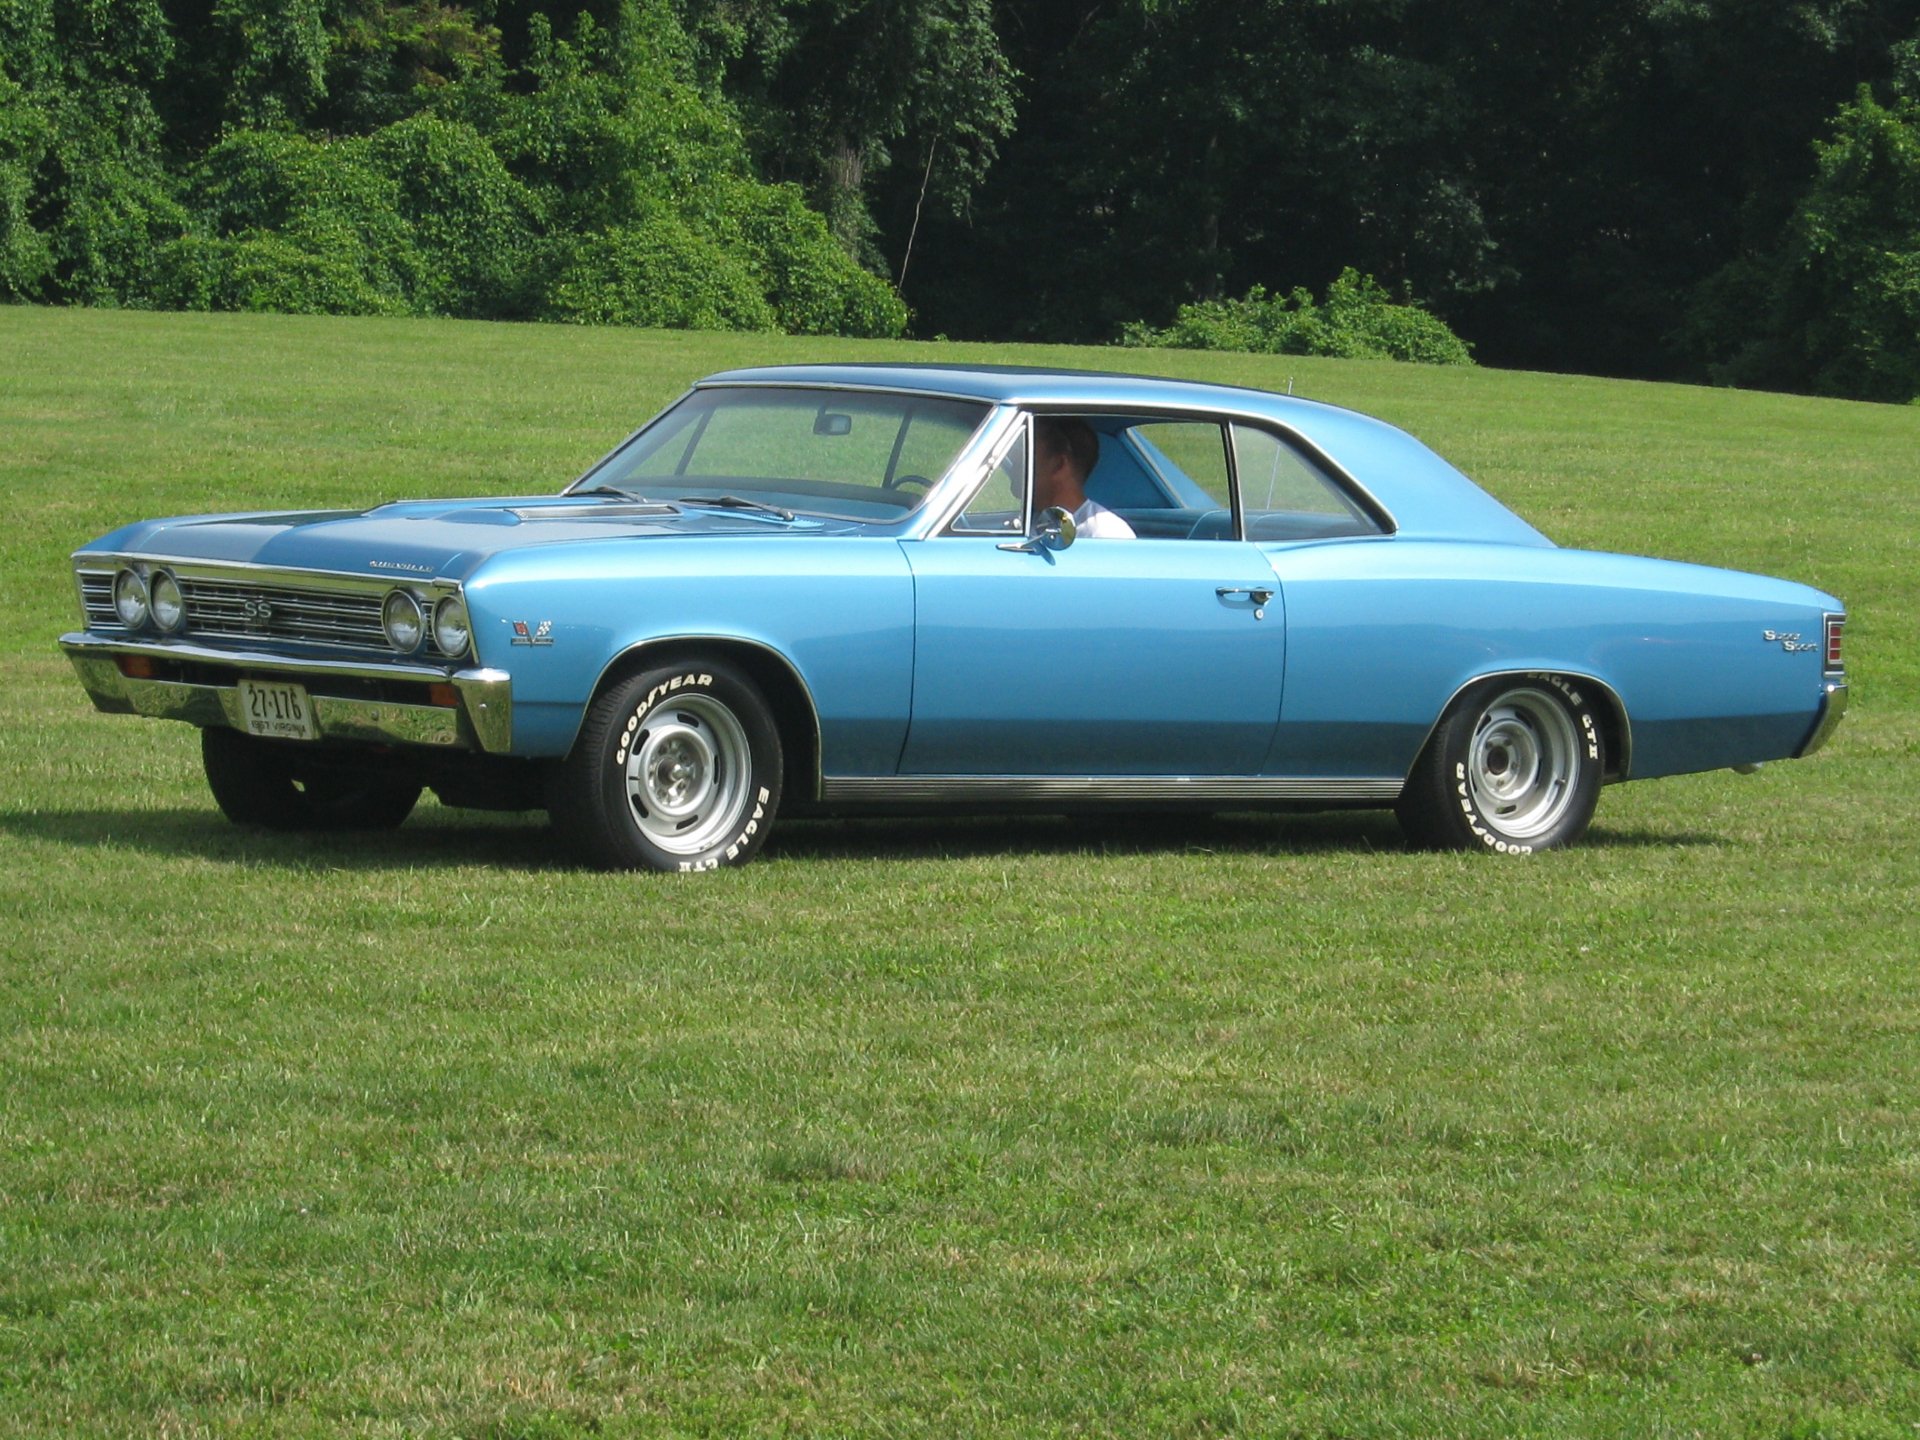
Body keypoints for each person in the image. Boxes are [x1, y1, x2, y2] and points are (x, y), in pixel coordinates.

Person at [1032, 417, 1135, 539]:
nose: (1016, 469)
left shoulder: (1107, 534)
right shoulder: (1028, 522)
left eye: (1028, 458)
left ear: (1058, 465)